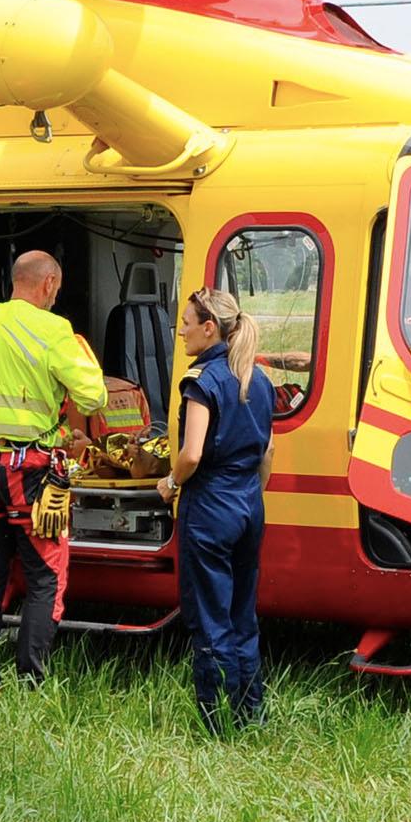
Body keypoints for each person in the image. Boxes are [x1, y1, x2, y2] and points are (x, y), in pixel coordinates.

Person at [0, 248, 108, 686]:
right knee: (45, 577)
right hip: (30, 472)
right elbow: (94, 398)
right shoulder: (55, 330)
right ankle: (29, 680)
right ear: (49, 283)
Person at [161, 283, 279, 731]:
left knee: (209, 616)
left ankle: (215, 721)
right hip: (249, 502)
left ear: (210, 329)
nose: (181, 334)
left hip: (210, 504)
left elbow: (191, 455)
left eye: (187, 325)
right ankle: (252, 714)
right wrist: (251, 496)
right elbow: (268, 452)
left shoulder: (201, 382)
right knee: (242, 615)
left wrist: (170, 483)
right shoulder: (259, 379)